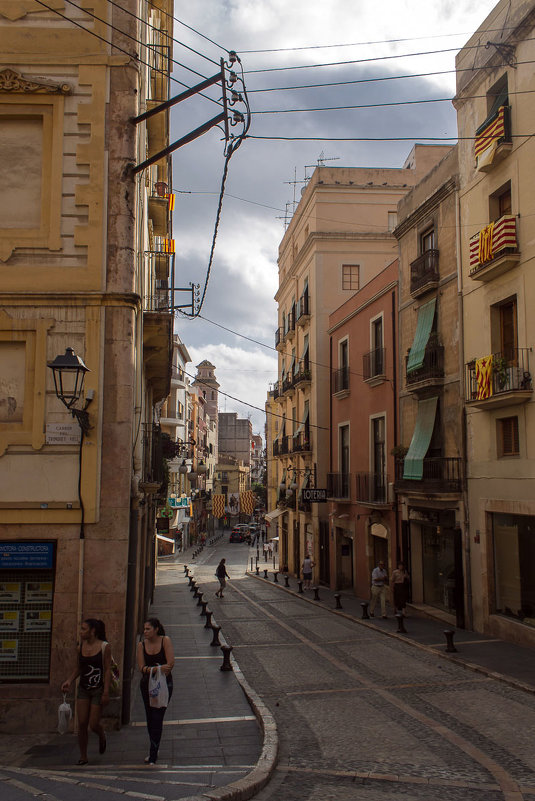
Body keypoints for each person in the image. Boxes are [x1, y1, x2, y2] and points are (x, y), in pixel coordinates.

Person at [61, 618, 111, 765]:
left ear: (93, 631)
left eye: (83, 629)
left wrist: (106, 692)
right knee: (82, 723)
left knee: (93, 724)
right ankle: (83, 756)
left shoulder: (104, 647)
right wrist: (69, 681)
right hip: (83, 688)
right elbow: (79, 667)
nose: (81, 632)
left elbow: (108, 670)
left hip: (98, 689)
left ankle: (101, 734)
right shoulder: (80, 647)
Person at [137, 618, 174, 765]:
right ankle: (154, 746)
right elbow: (141, 667)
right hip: (147, 685)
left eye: (148, 629)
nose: (145, 632)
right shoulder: (141, 645)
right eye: (144, 629)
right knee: (150, 717)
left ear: (156, 629)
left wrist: (150, 669)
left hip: (164, 684)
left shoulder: (165, 641)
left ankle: (153, 754)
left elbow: (170, 664)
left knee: (157, 717)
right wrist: (157, 669)